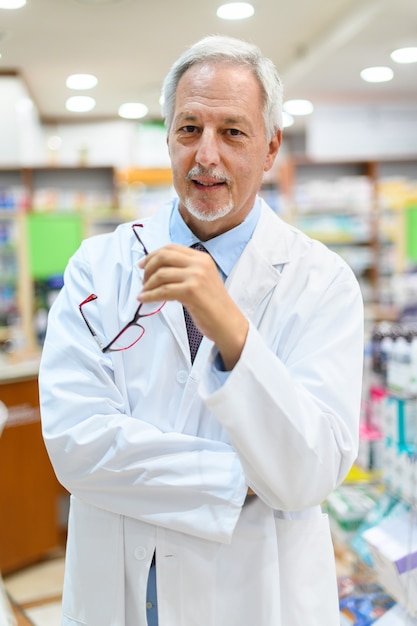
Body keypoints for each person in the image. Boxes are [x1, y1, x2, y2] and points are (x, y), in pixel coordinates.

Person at [39, 35, 364, 626]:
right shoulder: (98, 268)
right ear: (167, 137)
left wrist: (232, 332)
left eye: (232, 132)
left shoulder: (323, 282)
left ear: (270, 147)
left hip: (258, 598)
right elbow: (76, 448)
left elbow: (309, 473)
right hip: (124, 596)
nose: (205, 156)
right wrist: (242, 481)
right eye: (189, 129)